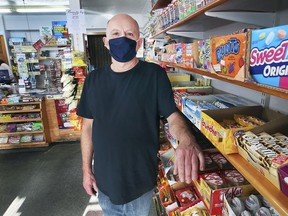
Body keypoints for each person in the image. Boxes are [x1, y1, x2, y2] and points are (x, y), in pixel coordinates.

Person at [76, 14, 205, 216]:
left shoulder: (155, 75)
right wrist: (86, 170)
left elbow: (172, 117)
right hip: (105, 182)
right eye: (116, 34)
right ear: (106, 42)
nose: (122, 38)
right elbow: (87, 128)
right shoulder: (93, 80)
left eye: (129, 34)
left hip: (140, 184)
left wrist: (187, 139)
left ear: (138, 43)